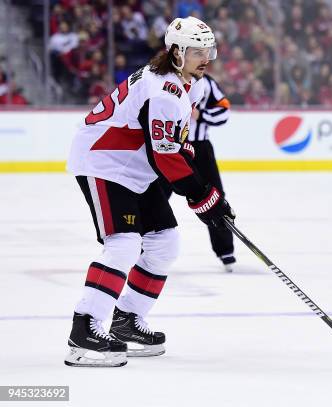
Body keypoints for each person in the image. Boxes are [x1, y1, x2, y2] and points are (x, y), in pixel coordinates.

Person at [64, 16, 235, 368]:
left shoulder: (194, 85)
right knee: (123, 244)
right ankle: (85, 328)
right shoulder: (164, 91)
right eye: (197, 51)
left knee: (165, 243)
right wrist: (202, 198)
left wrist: (209, 196)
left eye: (209, 50)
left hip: (135, 168)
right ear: (175, 52)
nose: (206, 58)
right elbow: (165, 154)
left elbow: (174, 145)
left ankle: (127, 319)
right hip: (103, 163)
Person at [161, 73, 235, 271]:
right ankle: (142, 246)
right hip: (168, 148)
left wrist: (201, 115)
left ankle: (225, 250)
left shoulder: (208, 82)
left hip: (200, 149)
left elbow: (224, 110)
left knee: (215, 197)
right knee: (155, 197)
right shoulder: (163, 80)